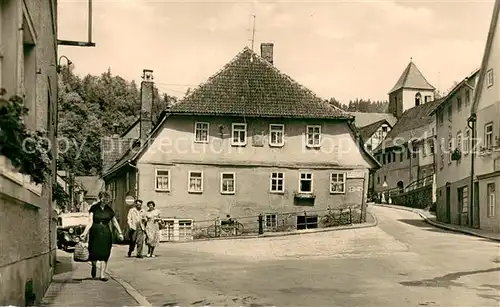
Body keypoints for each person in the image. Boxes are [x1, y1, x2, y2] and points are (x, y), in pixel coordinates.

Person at [80, 191, 124, 281]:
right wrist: (85, 232)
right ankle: (94, 265)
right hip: (95, 231)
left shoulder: (109, 209)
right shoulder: (94, 208)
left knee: (105, 252)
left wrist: (120, 232)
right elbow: (90, 221)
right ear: (100, 198)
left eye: (107, 199)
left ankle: (102, 275)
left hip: (106, 232)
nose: (105, 201)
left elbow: (114, 222)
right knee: (94, 251)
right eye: (104, 199)